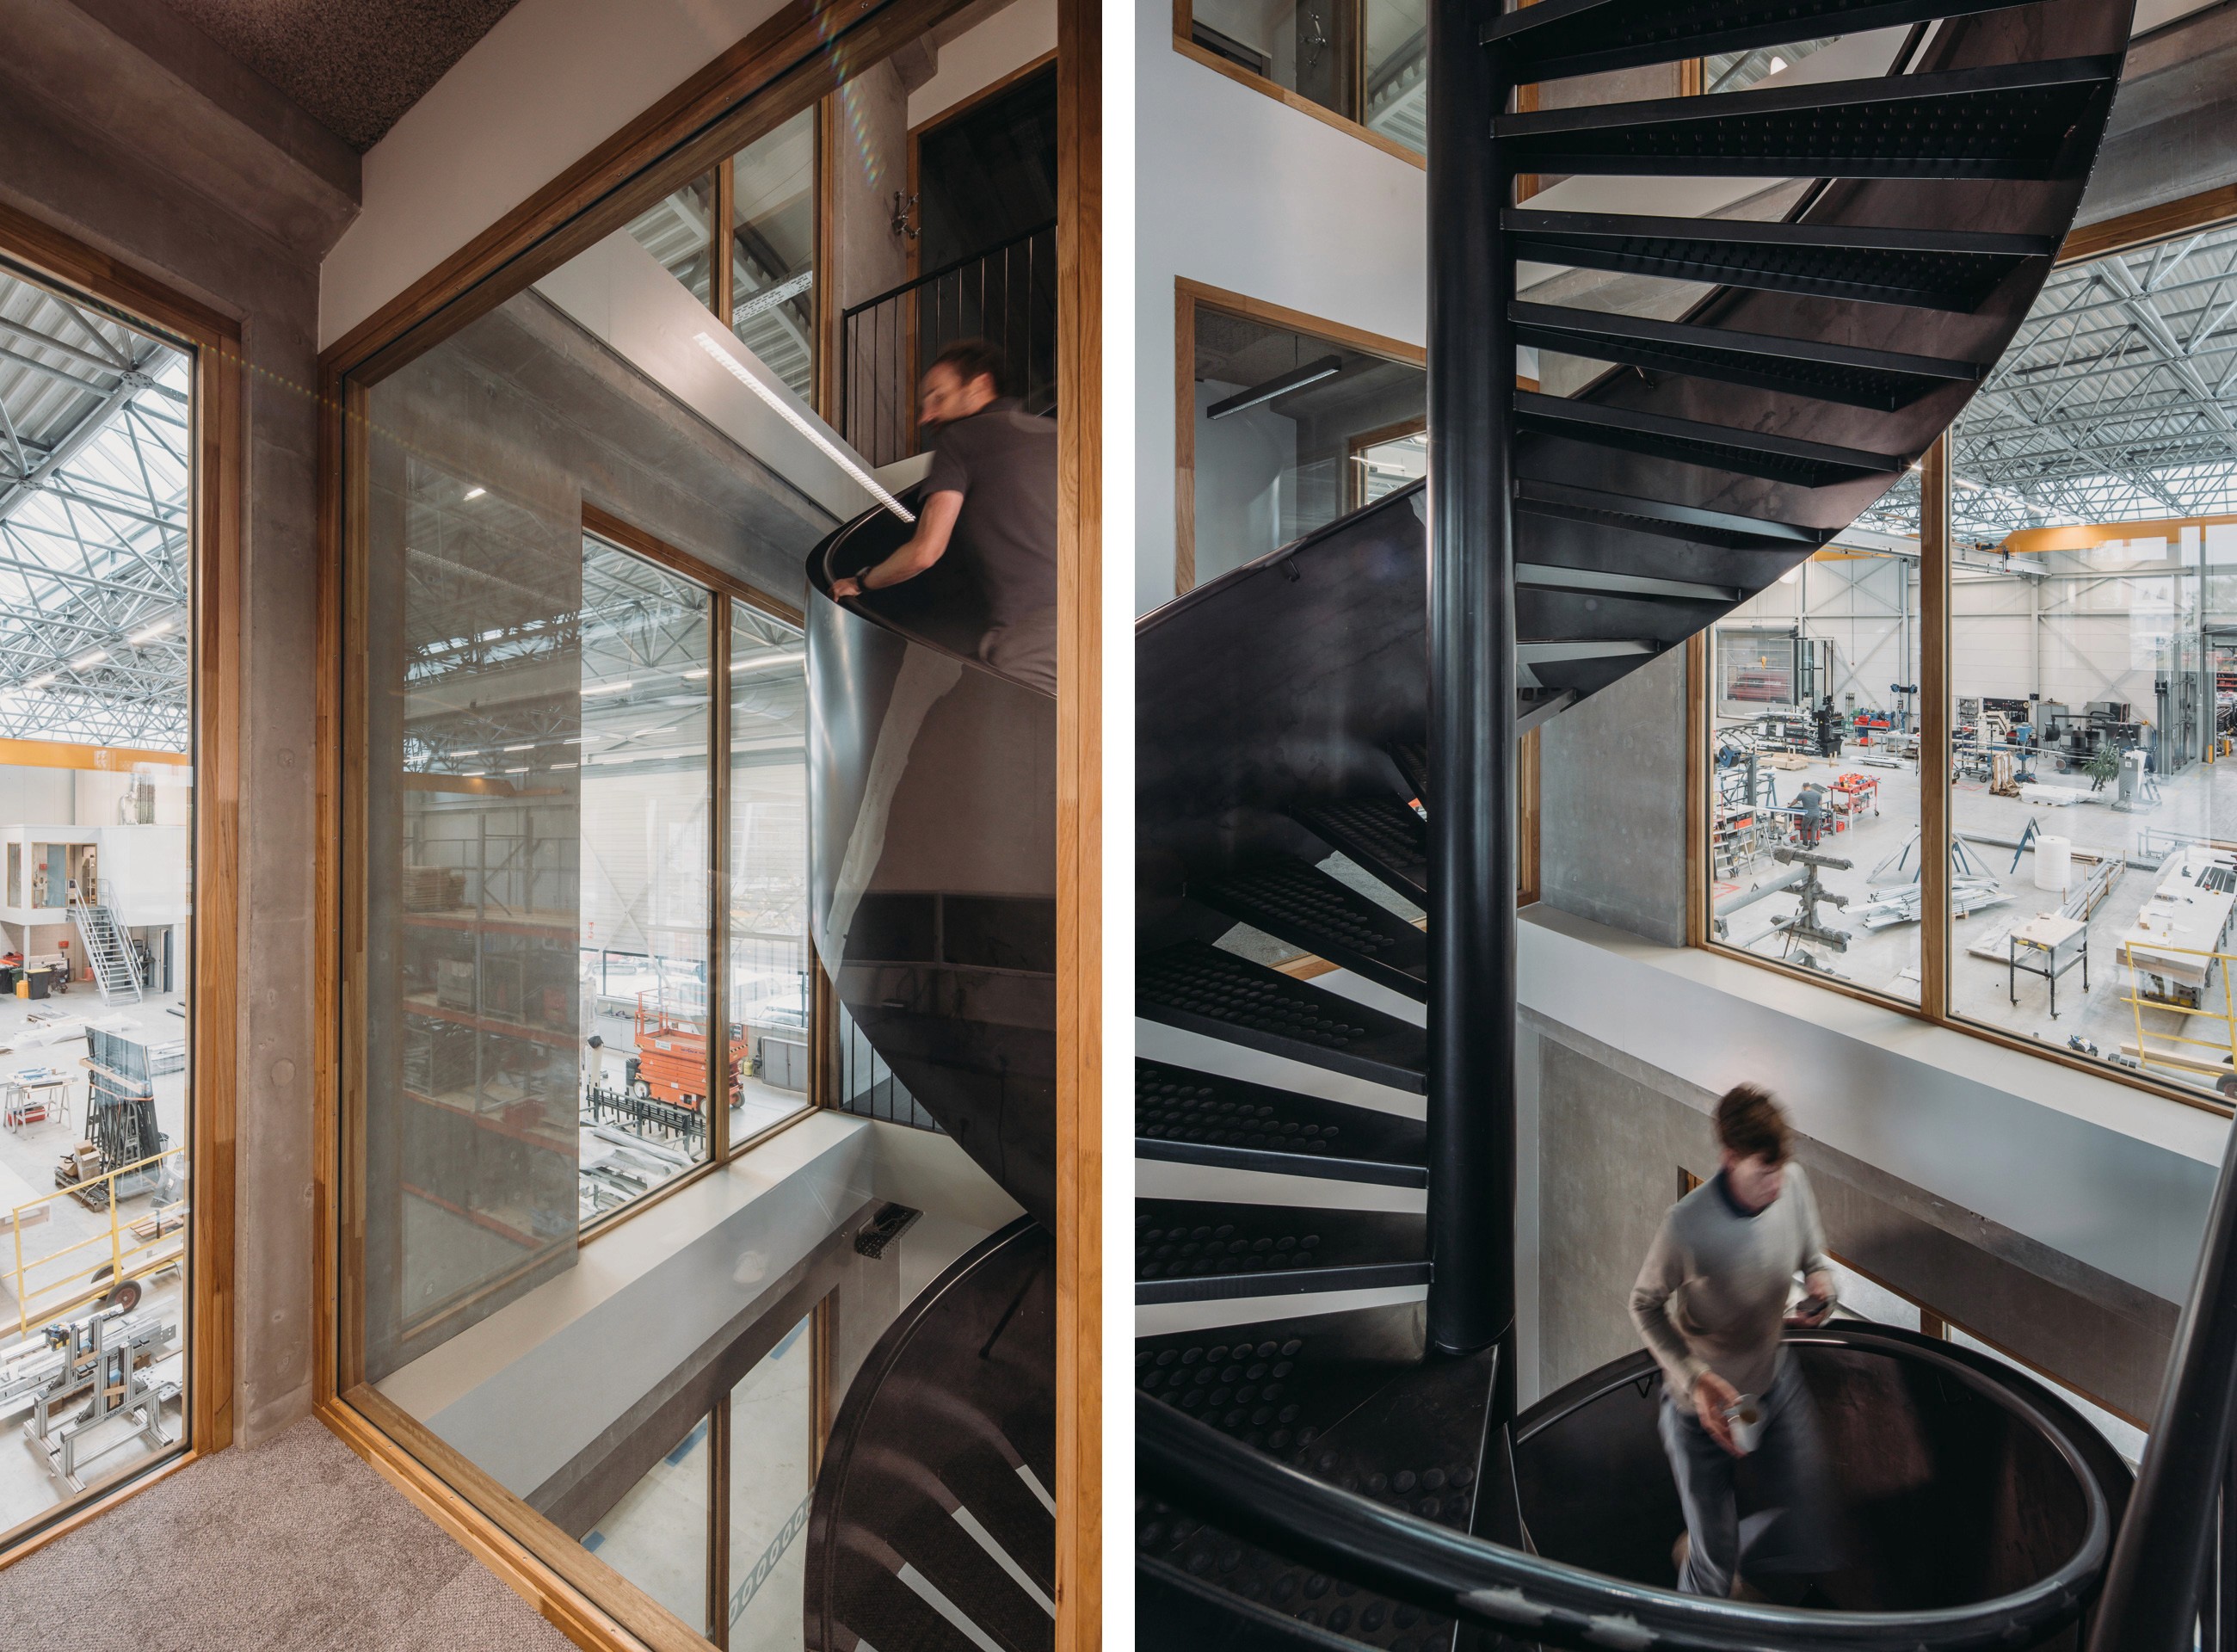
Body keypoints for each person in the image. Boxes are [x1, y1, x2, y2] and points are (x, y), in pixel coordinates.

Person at [1630, 1083, 1840, 1601]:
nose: (1775, 1185)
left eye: (1778, 1171)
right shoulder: (1687, 1227)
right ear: (1729, 1159)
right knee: (1713, 1558)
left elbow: (1814, 1257)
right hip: (1699, 1409)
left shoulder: (1792, 1183)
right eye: (1761, 1173)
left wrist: (1823, 1285)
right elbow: (1643, 1306)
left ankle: (1734, 1575)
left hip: (1774, 1381)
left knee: (1810, 1519)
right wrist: (1695, 1380)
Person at [829, 340, 1057, 693]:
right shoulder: (1055, 437)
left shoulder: (962, 438)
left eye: (938, 397)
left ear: (979, 386)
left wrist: (860, 582)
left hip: (1035, 634)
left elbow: (925, 552)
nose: (926, 417)